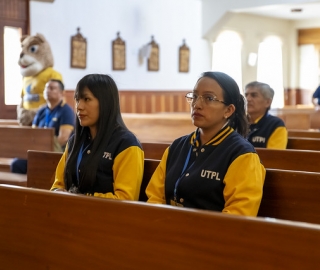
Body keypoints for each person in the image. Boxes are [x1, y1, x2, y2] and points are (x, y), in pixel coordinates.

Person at [146, 71, 265, 216]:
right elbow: (154, 197)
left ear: (228, 110)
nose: (197, 104)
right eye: (195, 96)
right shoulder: (177, 147)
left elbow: (238, 215)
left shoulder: (241, 154)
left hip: (210, 236)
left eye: (209, 98)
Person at [50, 74, 144, 200]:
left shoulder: (126, 144)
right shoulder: (75, 141)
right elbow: (58, 184)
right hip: (73, 213)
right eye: (77, 99)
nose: (79, 106)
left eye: (87, 99)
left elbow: (125, 198)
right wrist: (58, 192)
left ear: (105, 103)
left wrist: (79, 198)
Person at [10, 79, 75, 174]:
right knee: (17, 164)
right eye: (46, 88)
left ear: (61, 93)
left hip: (57, 152)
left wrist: (43, 149)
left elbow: (63, 139)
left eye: (52, 88)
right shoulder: (41, 111)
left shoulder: (66, 111)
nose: (48, 90)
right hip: (39, 151)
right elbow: (34, 135)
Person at [245, 81, 288, 149]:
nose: (248, 99)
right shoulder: (237, 121)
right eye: (246, 95)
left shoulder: (276, 125)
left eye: (254, 95)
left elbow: (273, 156)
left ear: (267, 102)